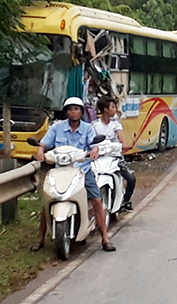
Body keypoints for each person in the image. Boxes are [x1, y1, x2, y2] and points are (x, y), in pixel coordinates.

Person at [32, 97, 116, 252]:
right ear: (66, 112)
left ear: (81, 112)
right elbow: (44, 143)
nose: (73, 112)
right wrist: (40, 150)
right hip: (59, 172)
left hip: (82, 170)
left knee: (97, 200)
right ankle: (40, 240)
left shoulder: (88, 128)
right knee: (47, 203)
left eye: (76, 109)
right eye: (70, 109)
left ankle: (105, 238)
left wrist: (94, 151)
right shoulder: (57, 128)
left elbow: (94, 144)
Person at [92, 96, 136, 213]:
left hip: (115, 158)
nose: (115, 109)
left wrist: (124, 145)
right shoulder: (94, 125)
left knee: (131, 179)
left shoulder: (116, 124)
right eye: (113, 107)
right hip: (99, 159)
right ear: (105, 109)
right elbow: (90, 142)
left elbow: (121, 138)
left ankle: (125, 201)